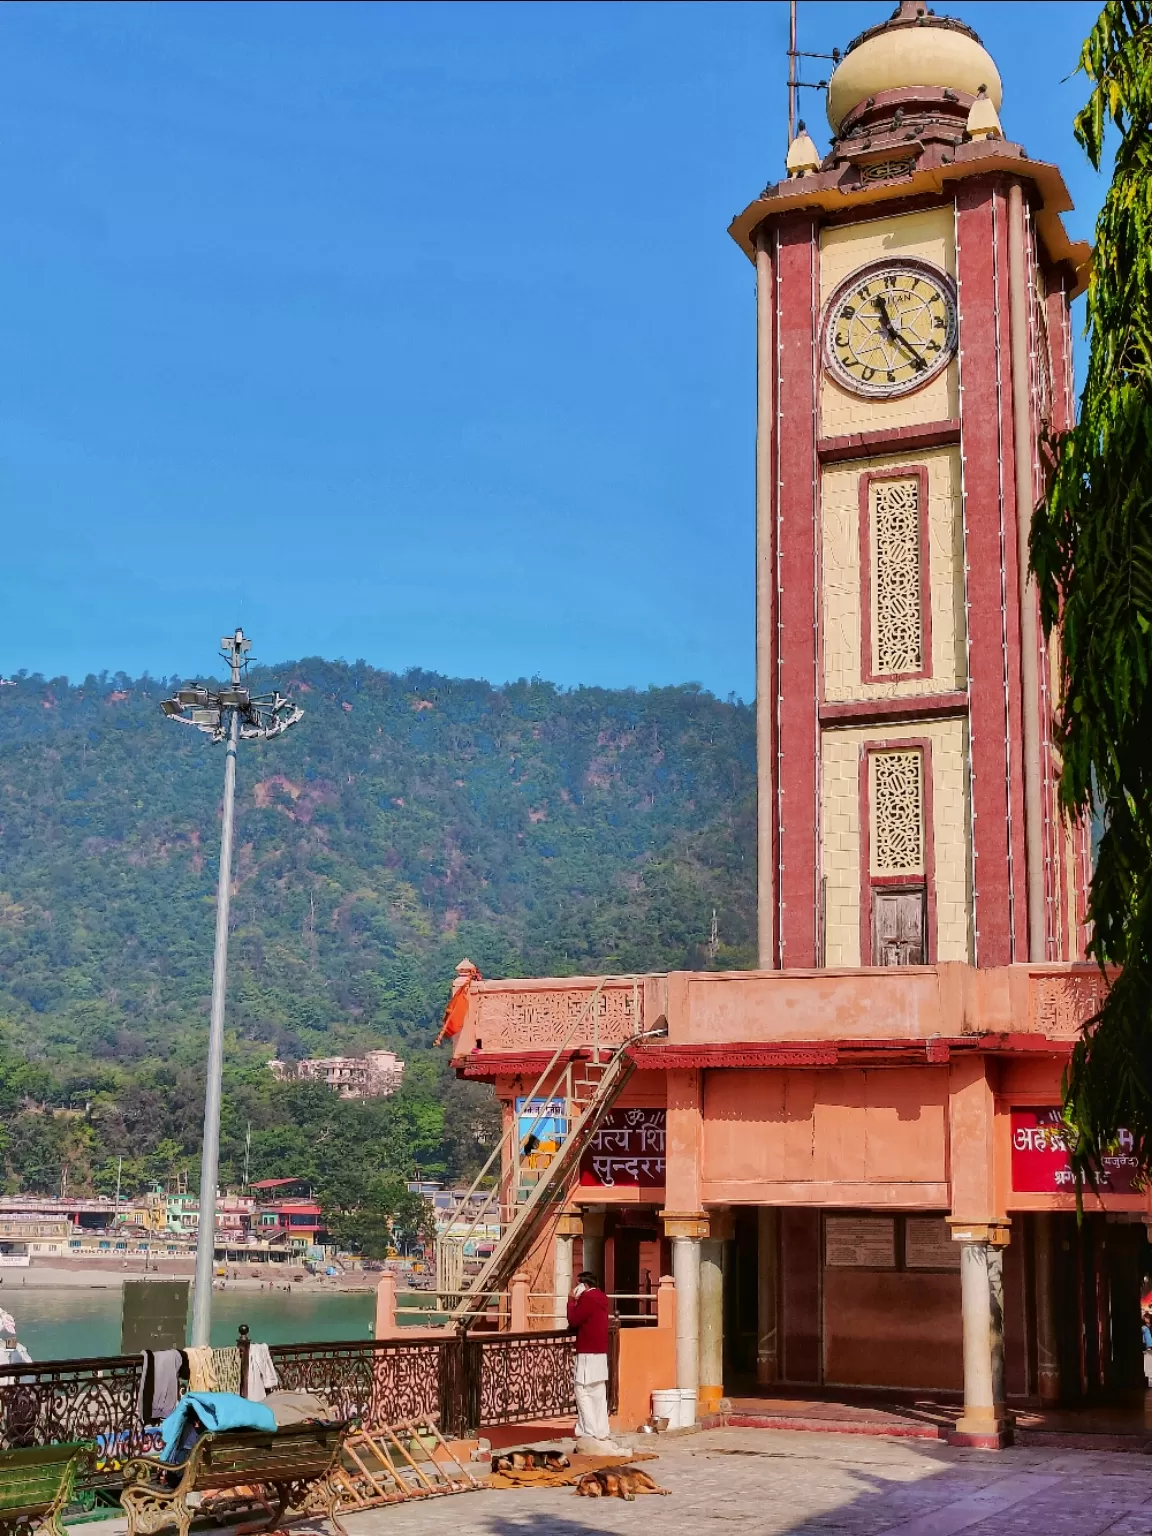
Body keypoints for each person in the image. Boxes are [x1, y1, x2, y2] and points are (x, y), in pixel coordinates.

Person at [566, 1270, 621, 1454]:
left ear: (585, 1285)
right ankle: (601, 1430)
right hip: (600, 1351)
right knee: (598, 1392)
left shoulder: (588, 1299)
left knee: (582, 1390)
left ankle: (588, 1430)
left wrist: (572, 1300)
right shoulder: (602, 1298)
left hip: (588, 1351)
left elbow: (574, 1320)